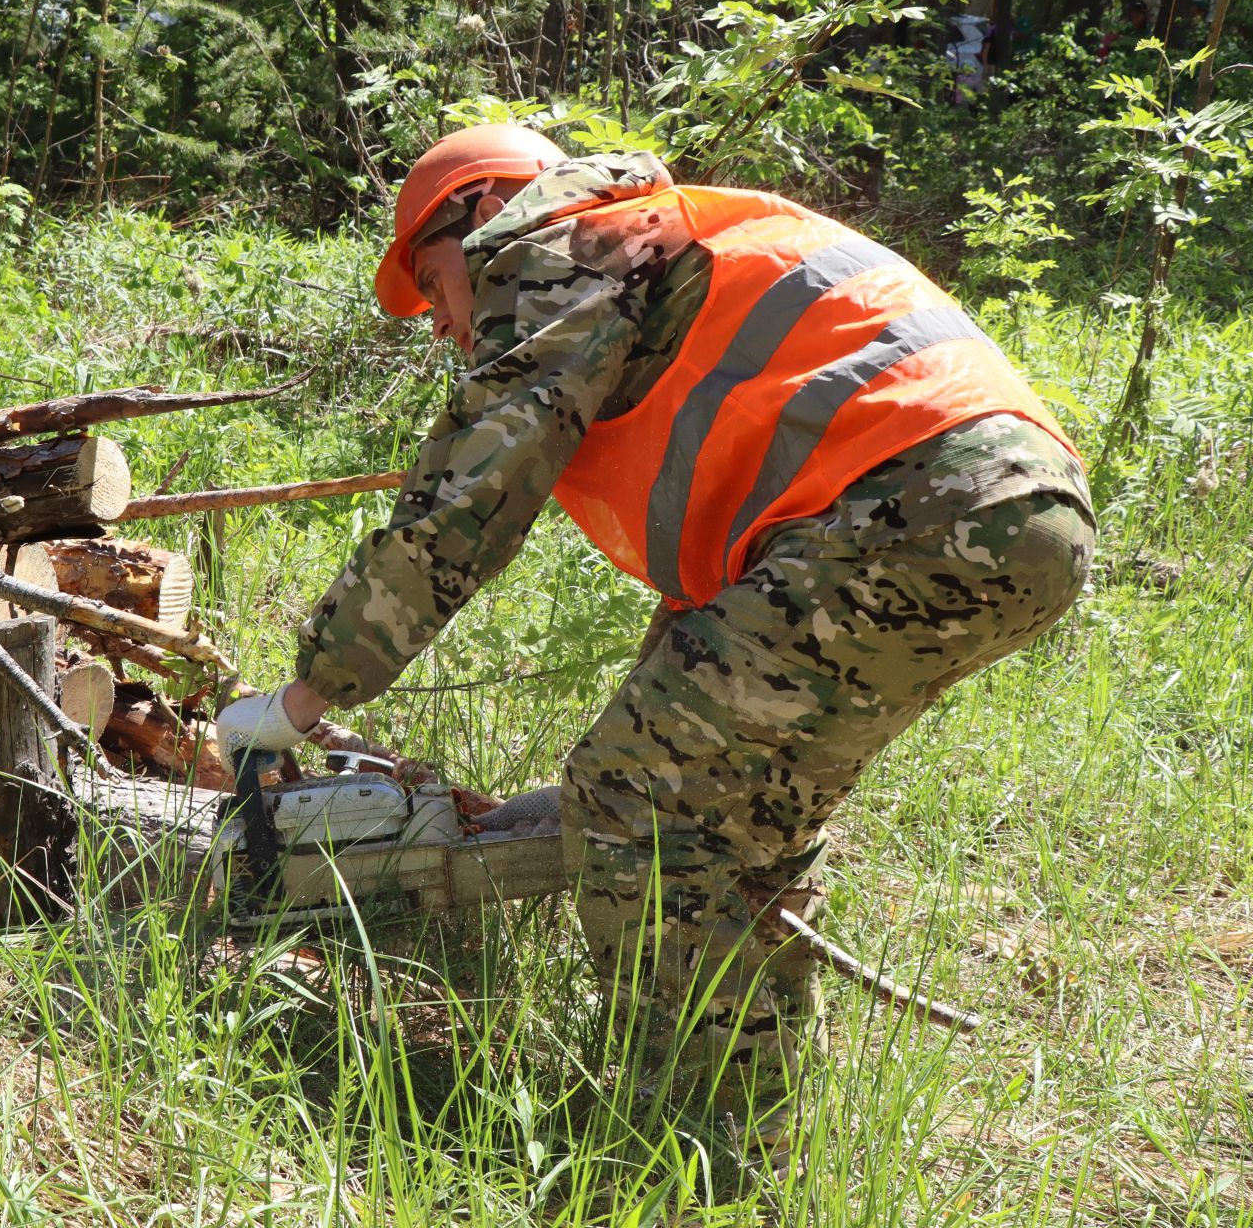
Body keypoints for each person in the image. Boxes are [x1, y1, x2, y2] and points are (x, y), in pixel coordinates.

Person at [217, 124, 1095, 1176]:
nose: (447, 322)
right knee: (741, 820)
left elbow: (468, 497)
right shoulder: (656, 251)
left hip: (914, 501)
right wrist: (570, 805)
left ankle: (671, 1151)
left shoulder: (555, 241)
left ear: (473, 211)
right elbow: (722, 616)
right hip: (1007, 511)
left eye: (430, 283)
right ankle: (749, 1141)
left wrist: (306, 694)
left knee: (643, 793)